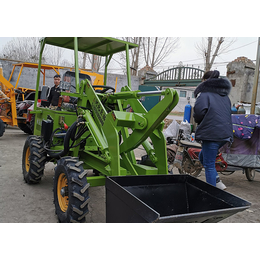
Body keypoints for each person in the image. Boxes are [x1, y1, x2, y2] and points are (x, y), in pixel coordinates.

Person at [193, 70, 233, 190]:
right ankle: (217, 182)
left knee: (209, 165)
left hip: (211, 134)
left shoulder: (204, 94)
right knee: (203, 157)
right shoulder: (225, 96)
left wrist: (199, 122)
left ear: (205, 81)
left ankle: (212, 193)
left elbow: (199, 113)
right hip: (225, 134)